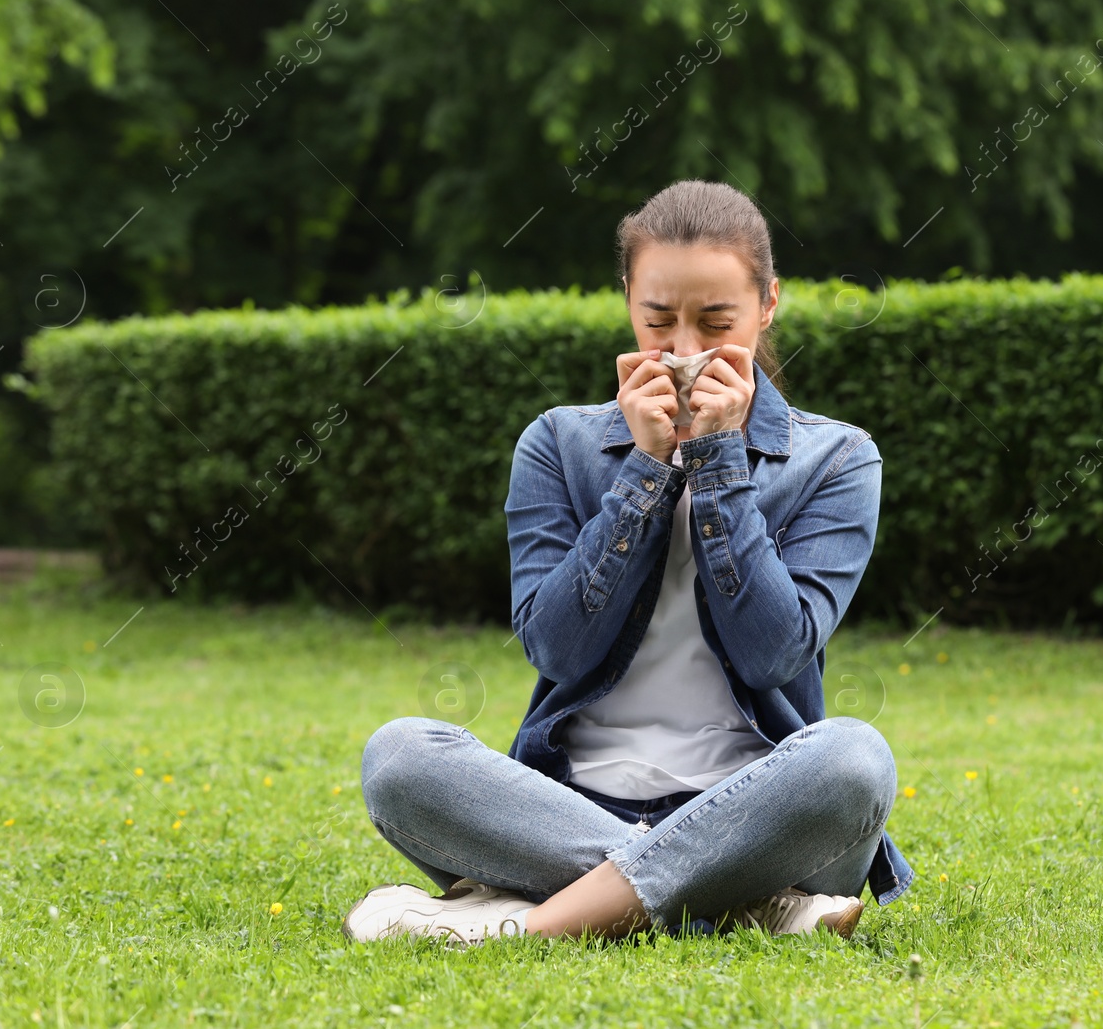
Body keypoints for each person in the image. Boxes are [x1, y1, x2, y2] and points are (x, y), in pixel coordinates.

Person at [345, 179, 914, 948]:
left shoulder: (837, 457)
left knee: (854, 758)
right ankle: (746, 900)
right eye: (658, 321)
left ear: (769, 303)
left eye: (717, 323)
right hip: (571, 804)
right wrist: (645, 471)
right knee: (401, 756)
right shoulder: (557, 443)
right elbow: (555, 649)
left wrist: (716, 459)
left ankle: (535, 921)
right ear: (628, 303)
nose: (684, 352)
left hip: (758, 808)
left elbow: (774, 650)